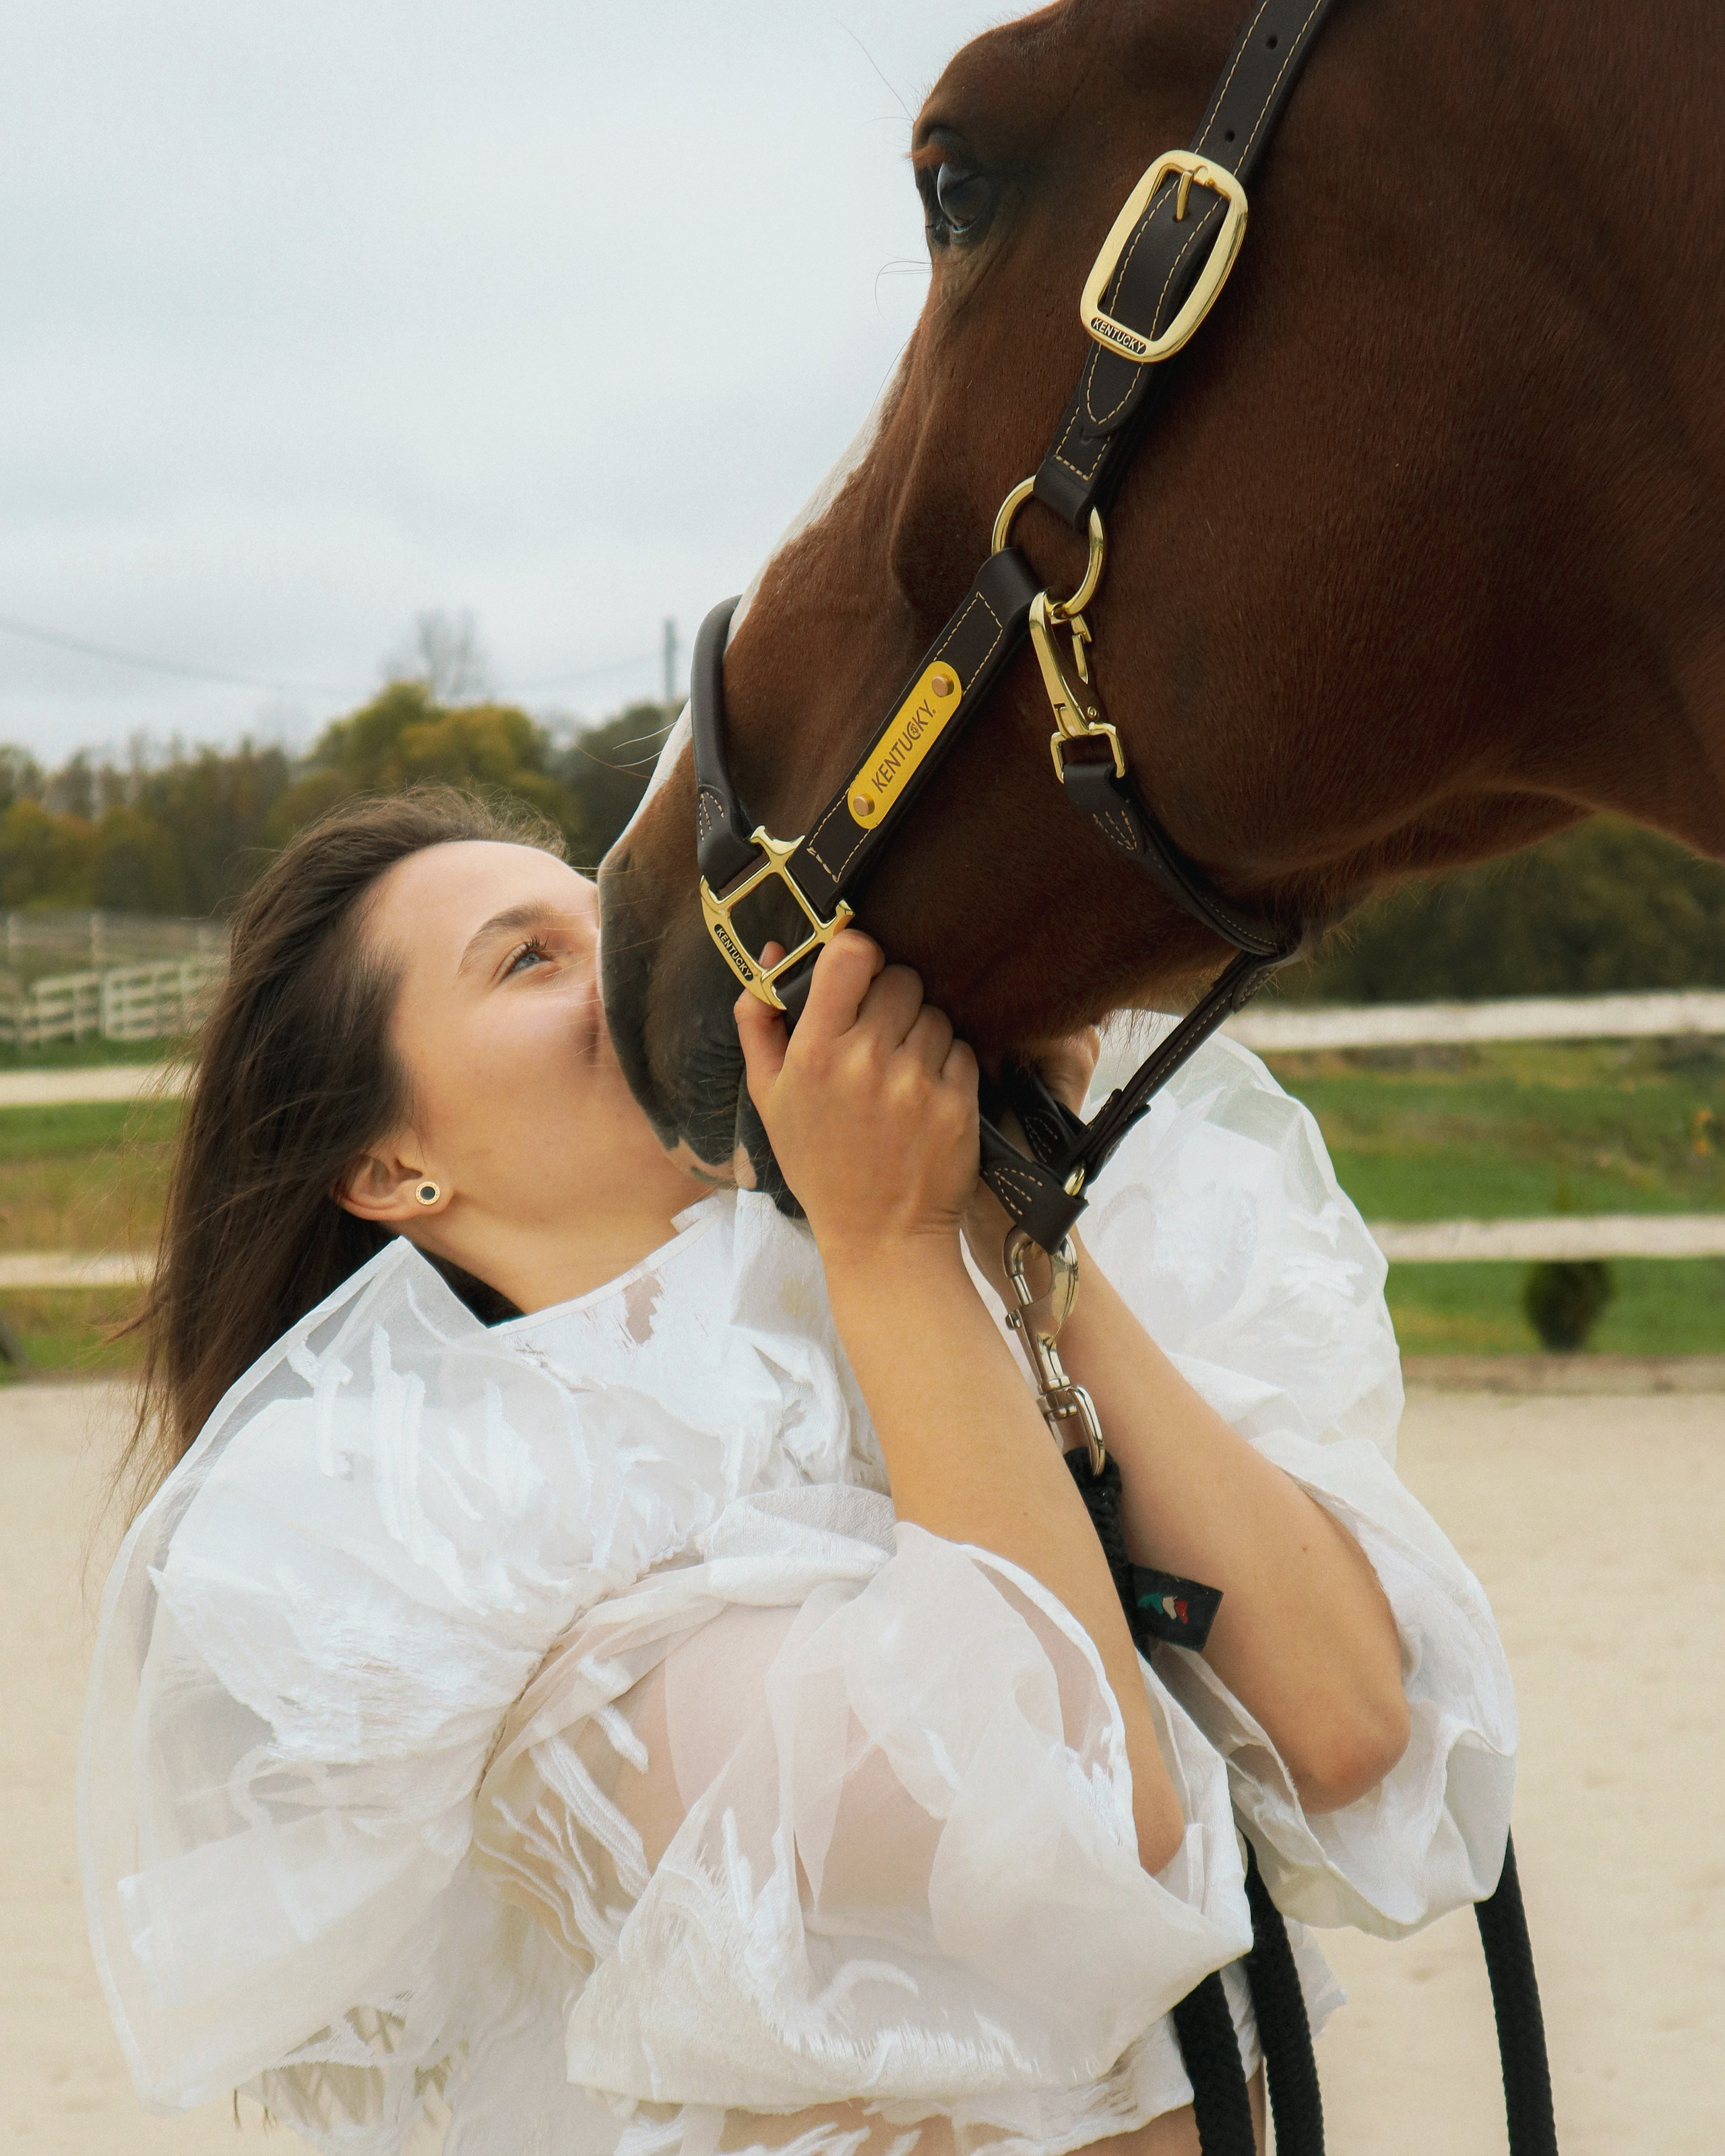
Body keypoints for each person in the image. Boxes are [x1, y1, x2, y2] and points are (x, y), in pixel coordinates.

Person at [81, 788, 1515, 2156]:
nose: (635, 956)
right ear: (394, 1168)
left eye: (604, 912)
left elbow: (1347, 1727)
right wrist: (892, 1244)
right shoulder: (490, 1558)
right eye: (527, 959)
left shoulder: (916, 1318)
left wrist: (1010, 1224)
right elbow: (1079, 1807)